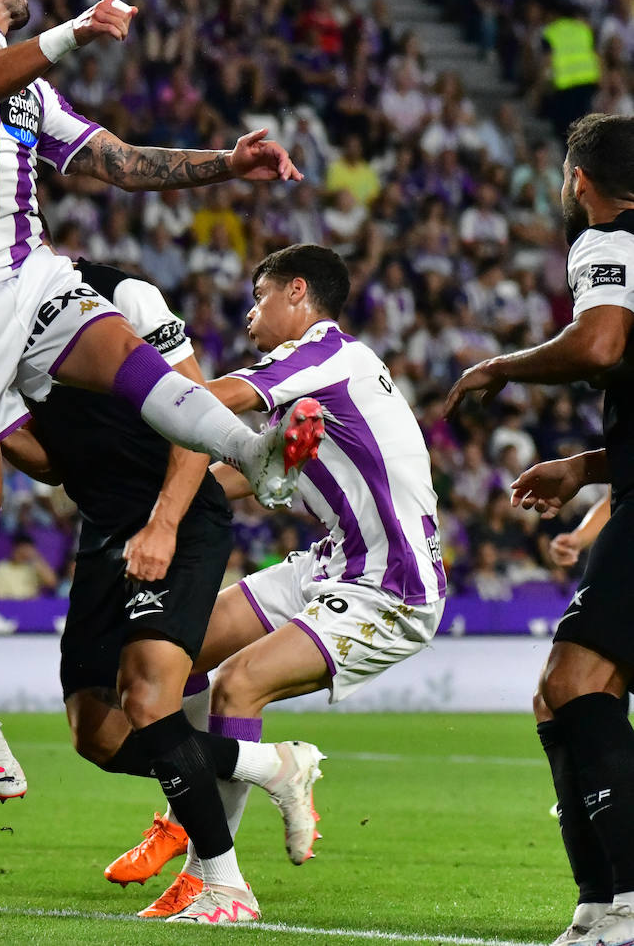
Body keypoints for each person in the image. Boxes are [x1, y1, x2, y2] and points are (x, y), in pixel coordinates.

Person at [0, 0, 325, 799]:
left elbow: (115, 162)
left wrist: (226, 162)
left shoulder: (32, 90)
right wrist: (75, 32)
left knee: (133, 359)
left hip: (27, 273)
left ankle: (252, 454)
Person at [111, 244, 444, 918]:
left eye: (259, 298)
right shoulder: (311, 384)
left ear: (298, 293)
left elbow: (213, 399)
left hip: (393, 586)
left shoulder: (326, 356)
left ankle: (215, 877)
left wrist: (122, 402)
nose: (250, 313)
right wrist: (157, 500)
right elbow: (241, 472)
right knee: (178, 650)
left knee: (239, 682)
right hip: (332, 562)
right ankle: (191, 808)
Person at [2, 257, 326, 924]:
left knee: (150, 697)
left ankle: (226, 887)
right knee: (98, 731)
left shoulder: (120, 294)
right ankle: (273, 764)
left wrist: (163, 523)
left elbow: (194, 412)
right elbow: (53, 462)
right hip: (105, 529)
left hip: (174, 517)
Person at [451, 114, 634, 946]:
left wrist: (501, 366)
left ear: (580, 180)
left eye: (566, 176)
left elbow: (598, 343)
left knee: (575, 683)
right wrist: (587, 466)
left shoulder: (607, 238)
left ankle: (627, 902)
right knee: (558, 694)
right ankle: (600, 904)